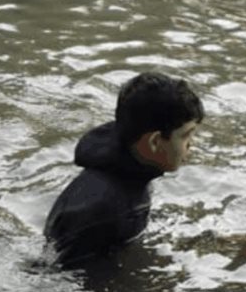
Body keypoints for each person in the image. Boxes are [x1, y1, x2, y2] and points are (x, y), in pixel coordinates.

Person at [44, 72, 205, 271]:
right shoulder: (106, 209)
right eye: (186, 135)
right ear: (154, 142)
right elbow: (73, 276)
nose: (192, 144)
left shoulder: (127, 166)